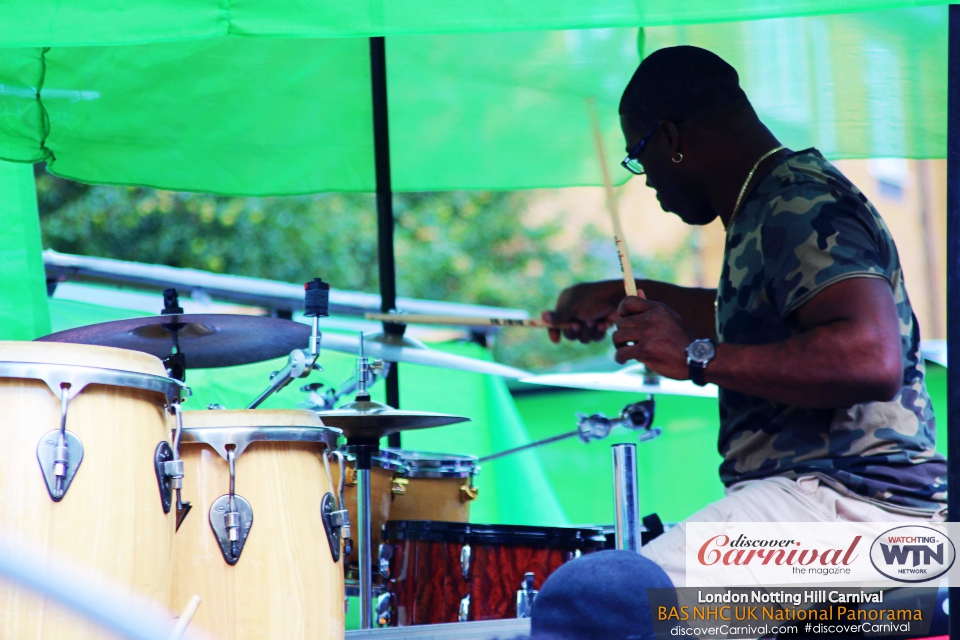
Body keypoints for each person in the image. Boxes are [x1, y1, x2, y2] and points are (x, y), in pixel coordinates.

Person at [543, 45, 946, 587]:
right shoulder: (770, 204)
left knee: (600, 601)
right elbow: (758, 321)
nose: (646, 179)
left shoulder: (798, 205)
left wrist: (694, 357)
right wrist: (617, 294)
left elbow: (871, 359)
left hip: (851, 506)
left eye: (639, 155)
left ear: (672, 139)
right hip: (825, 505)